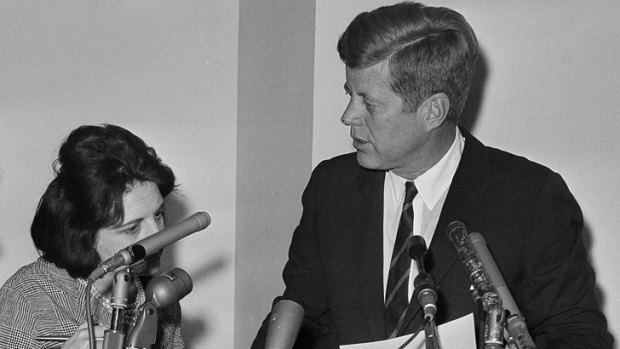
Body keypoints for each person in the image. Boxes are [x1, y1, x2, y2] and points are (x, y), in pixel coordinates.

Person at [252, 2, 614, 348]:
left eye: (370, 103)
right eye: (350, 94)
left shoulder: (530, 198)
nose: (348, 116)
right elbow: (300, 317)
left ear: (433, 111)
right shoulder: (332, 188)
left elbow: (579, 336)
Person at [0, 124, 185, 348]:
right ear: (84, 235)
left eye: (158, 214)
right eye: (132, 228)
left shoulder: (160, 296)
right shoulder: (26, 297)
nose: (158, 236)